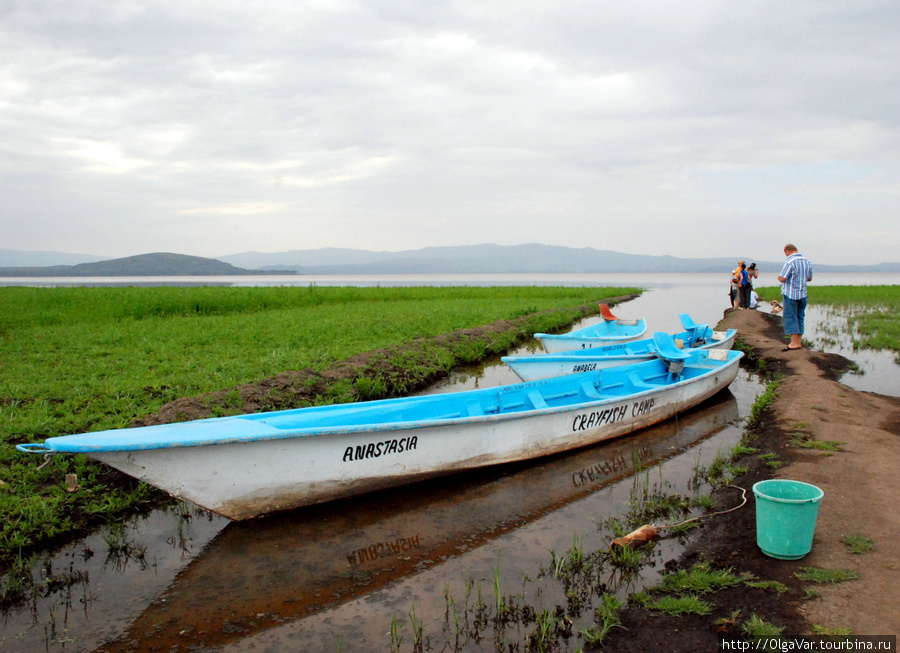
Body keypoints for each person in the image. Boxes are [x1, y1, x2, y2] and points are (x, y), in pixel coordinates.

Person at [777, 243, 813, 351]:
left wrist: (779, 277)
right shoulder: (807, 261)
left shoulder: (789, 261)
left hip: (791, 294)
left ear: (787, 251)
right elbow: (809, 278)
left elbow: (782, 278)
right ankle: (798, 342)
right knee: (800, 317)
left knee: (791, 317)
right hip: (803, 294)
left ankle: (793, 343)